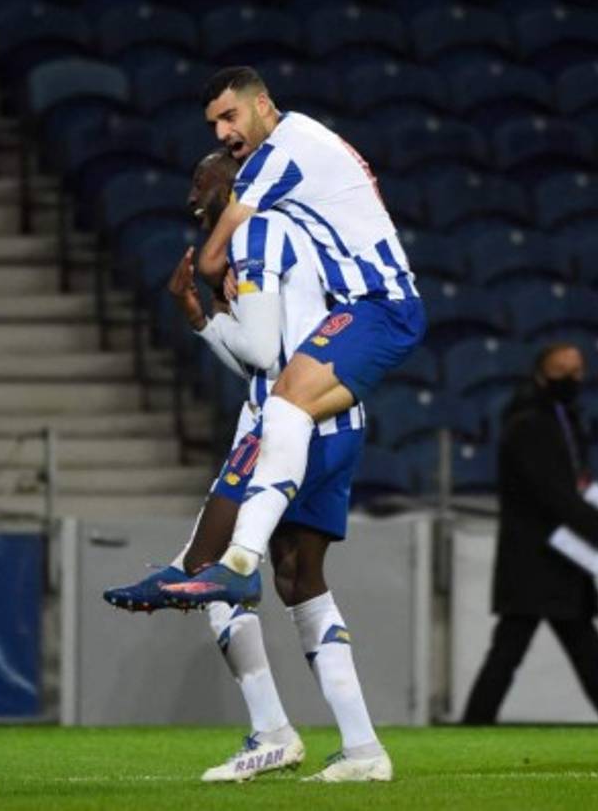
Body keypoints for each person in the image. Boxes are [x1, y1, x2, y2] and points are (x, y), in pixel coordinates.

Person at [104, 150, 391, 784]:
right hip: (336, 420)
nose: (192, 198)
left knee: (212, 571)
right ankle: (364, 748)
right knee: (300, 579)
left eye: (200, 181)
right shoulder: (295, 230)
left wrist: (207, 316)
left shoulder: (256, 231)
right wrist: (204, 318)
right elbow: (269, 356)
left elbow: (260, 352)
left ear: (232, 186)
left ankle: (271, 732)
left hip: (284, 427)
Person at [165, 66, 425, 608]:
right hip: (364, 309)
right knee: (300, 584)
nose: (222, 134)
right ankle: (235, 564)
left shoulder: (281, 152)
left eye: (229, 116)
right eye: (213, 124)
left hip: (380, 305)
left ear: (263, 104)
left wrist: (216, 283)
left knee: (283, 404)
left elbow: (213, 256)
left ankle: (235, 562)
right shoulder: (303, 142)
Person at [462, 343, 598, 726]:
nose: (571, 379)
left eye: (577, 370)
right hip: (538, 559)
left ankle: (474, 724)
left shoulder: (557, 418)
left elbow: (567, 487)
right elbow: (555, 492)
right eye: (562, 370)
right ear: (541, 373)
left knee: (525, 653)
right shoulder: (531, 423)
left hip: (552, 560)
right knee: (542, 654)